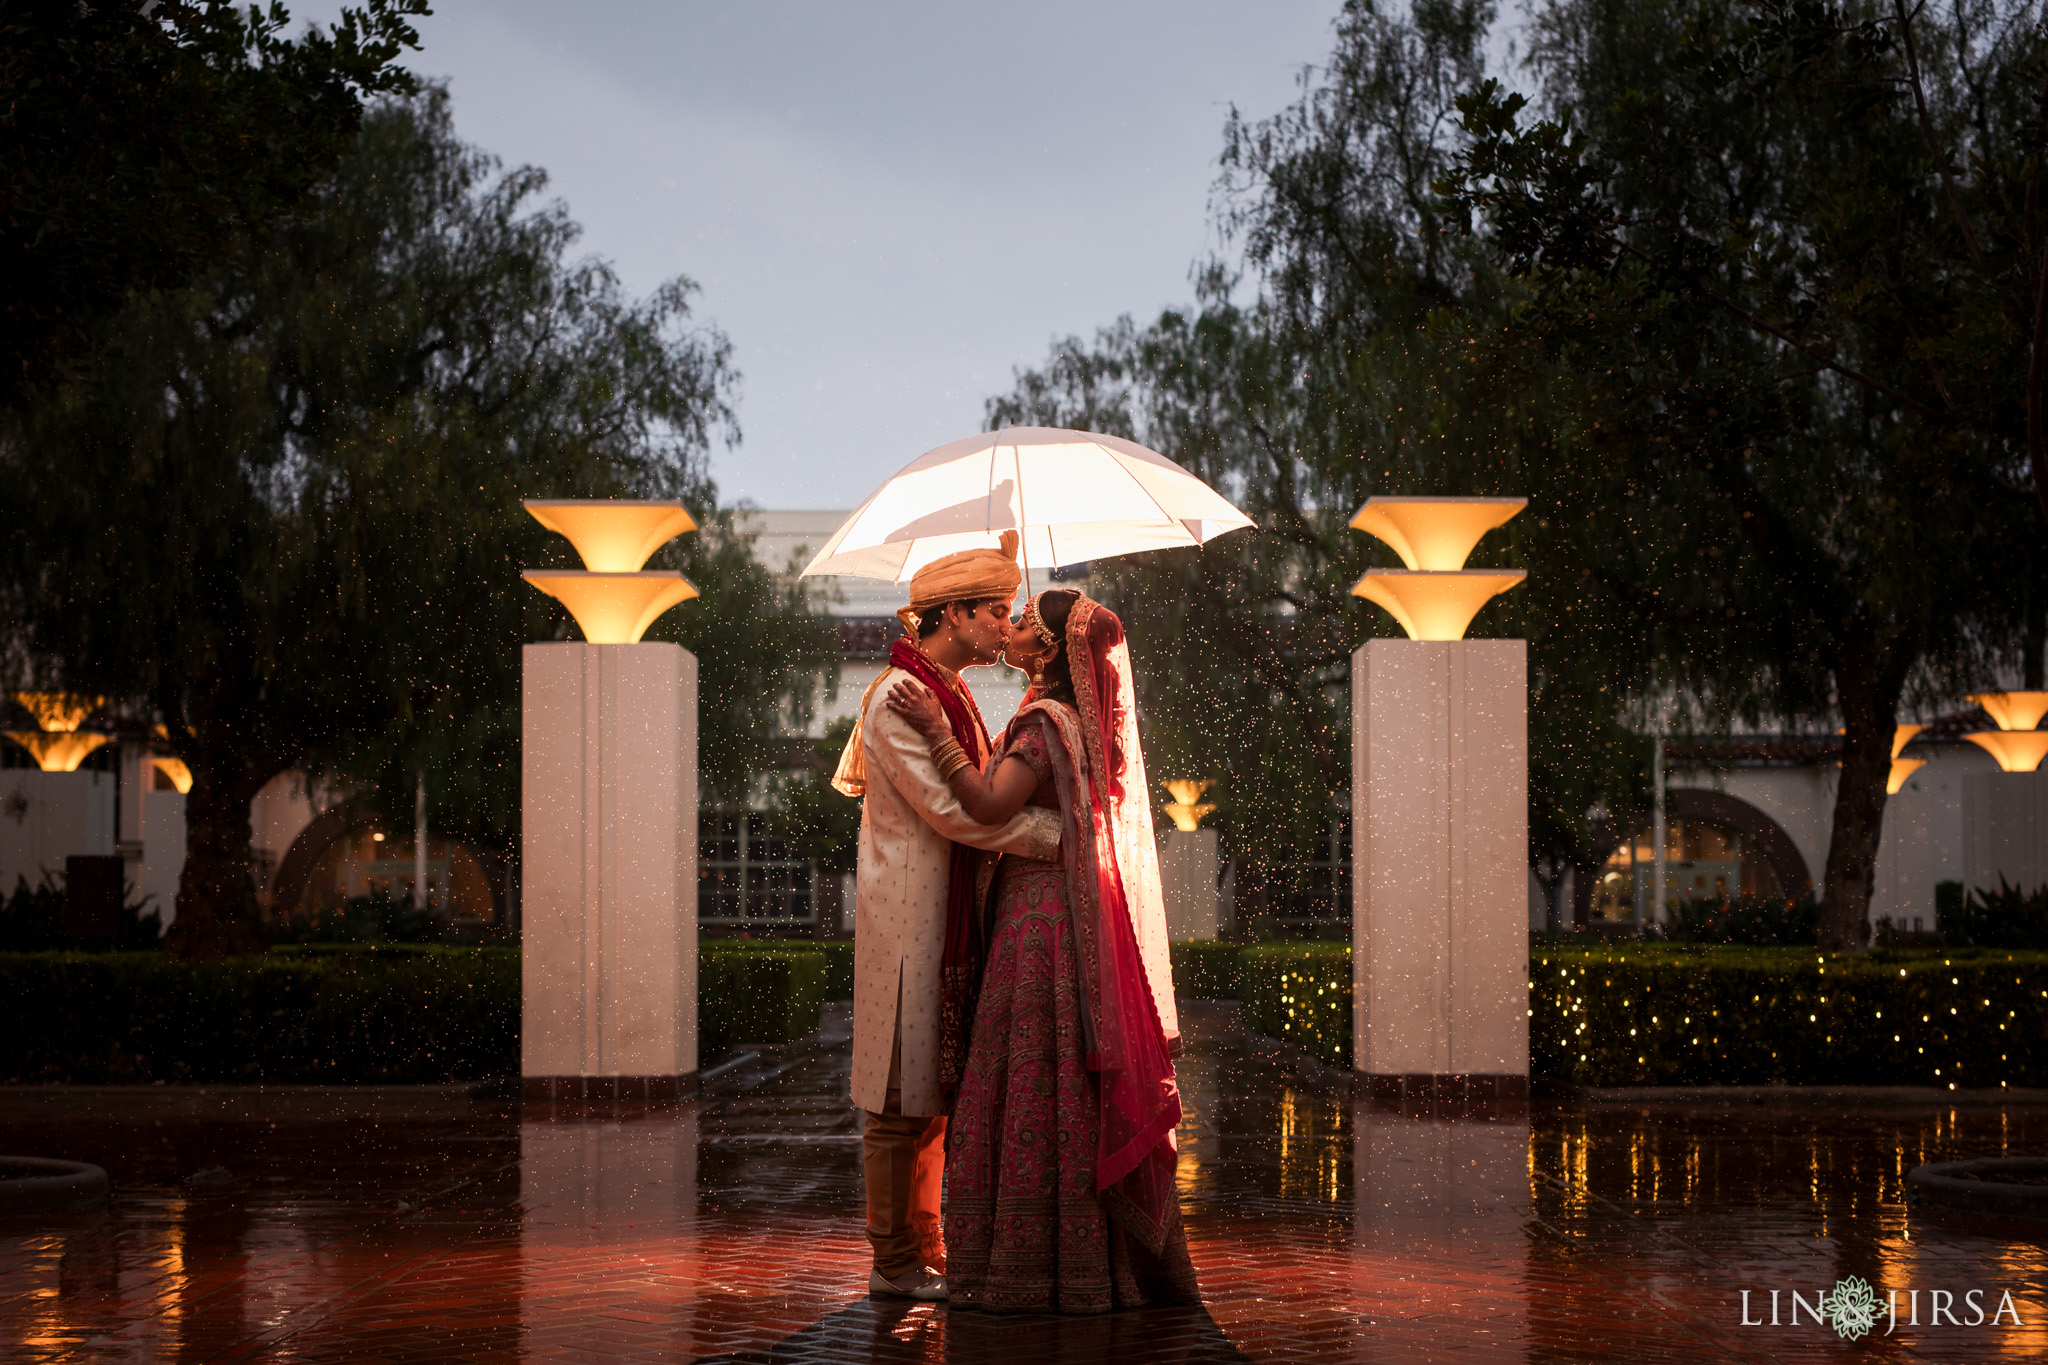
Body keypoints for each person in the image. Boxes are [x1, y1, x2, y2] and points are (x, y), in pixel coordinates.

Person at [884, 588, 1198, 1314]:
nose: (1012, 627)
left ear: (1053, 650)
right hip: (1053, 919)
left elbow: (990, 805)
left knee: (1028, 1083)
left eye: (1024, 622)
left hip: (1039, 925)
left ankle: (1032, 1266)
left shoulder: (1044, 719)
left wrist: (936, 733)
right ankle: (1086, 1263)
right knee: (1057, 1088)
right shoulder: (1068, 719)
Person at [831, 531, 1063, 1303]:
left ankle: (924, 1244)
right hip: (907, 922)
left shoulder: (949, 691)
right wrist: (1048, 835)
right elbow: (950, 811)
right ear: (953, 612)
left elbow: (981, 777)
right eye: (994, 612)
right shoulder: (898, 700)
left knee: (933, 1097)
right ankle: (889, 1258)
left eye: (1008, 612)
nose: (1006, 625)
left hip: (945, 916)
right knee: (897, 1101)